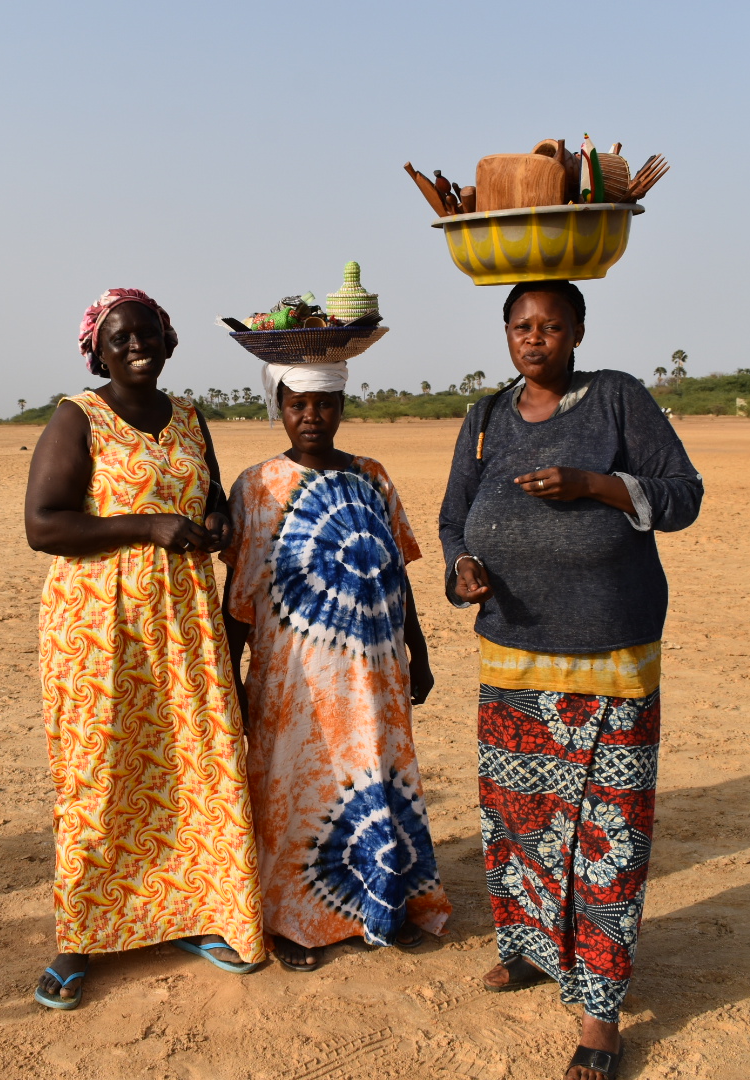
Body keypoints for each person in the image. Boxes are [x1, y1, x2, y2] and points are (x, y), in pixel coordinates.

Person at [439, 281, 703, 1080]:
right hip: (514, 658)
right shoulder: (485, 416)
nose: (535, 338)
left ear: (578, 331)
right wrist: (463, 568)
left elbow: (684, 496)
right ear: (506, 333)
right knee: (520, 818)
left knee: (606, 834)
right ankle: (526, 948)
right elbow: (454, 515)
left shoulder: (617, 400)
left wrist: (594, 485)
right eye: (522, 325)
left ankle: (600, 1014)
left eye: (552, 325)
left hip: (610, 657)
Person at [23, 288, 265, 1010]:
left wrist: (213, 519)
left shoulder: (189, 417)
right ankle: (81, 937)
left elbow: (212, 494)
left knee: (193, 761)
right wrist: (147, 526)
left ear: (169, 339)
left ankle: (194, 912)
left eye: (150, 332)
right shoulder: (78, 417)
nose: (138, 344)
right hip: (101, 624)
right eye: (121, 336)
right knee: (101, 767)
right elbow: (44, 524)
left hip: (185, 620)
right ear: (97, 347)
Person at [222, 362, 450, 972]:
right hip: (291, 681)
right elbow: (238, 596)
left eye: (324, 404)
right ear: (280, 407)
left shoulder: (373, 477)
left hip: (374, 676)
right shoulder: (257, 485)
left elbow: (395, 574)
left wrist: (417, 651)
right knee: (295, 786)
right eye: (297, 404)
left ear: (342, 404)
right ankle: (294, 919)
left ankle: (387, 904)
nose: (311, 417)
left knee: (376, 778)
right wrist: (229, 678)